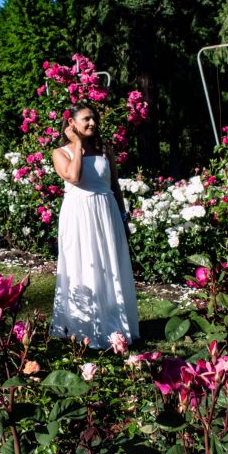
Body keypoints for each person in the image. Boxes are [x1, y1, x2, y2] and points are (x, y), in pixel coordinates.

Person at [49, 103, 139, 349]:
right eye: (86, 119)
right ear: (72, 123)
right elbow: (74, 177)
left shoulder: (105, 150)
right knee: (84, 263)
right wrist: (77, 145)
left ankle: (114, 324)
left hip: (106, 212)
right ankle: (84, 326)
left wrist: (123, 217)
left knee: (109, 266)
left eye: (94, 119)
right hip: (79, 216)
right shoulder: (60, 153)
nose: (92, 123)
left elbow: (115, 186)